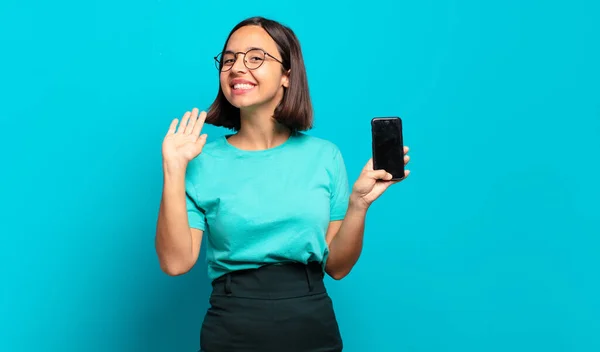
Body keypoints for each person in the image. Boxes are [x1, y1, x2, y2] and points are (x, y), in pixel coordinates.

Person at [155, 16, 410, 352]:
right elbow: (176, 263)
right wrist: (173, 169)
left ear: (288, 75)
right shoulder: (200, 160)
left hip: (311, 322)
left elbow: (337, 267)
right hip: (232, 326)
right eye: (229, 59)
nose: (237, 68)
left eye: (255, 58)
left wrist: (358, 205)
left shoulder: (324, 156)